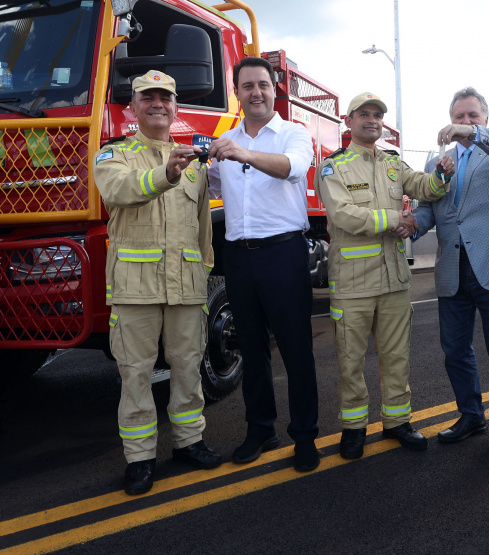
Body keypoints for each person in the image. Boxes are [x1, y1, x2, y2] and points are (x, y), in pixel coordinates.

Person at [94, 70, 221, 495]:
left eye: (165, 98)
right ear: (133, 107)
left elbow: (203, 226)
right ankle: (139, 458)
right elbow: (119, 191)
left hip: (185, 285)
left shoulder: (194, 163)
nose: (157, 104)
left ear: (175, 107)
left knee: (188, 365)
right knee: (136, 374)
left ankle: (189, 441)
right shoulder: (113, 155)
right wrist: (164, 174)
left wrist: (202, 269)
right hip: (135, 287)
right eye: (147, 97)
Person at [315, 92, 453, 458]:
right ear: (349, 122)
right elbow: (343, 215)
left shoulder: (392, 162)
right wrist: (396, 219)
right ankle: (353, 428)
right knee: (350, 362)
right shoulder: (332, 167)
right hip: (352, 284)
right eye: (364, 114)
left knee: (397, 357)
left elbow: (424, 187)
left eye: (377, 115)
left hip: (393, 282)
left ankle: (397, 422)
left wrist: (441, 174)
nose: (372, 120)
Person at [207, 56, 320, 473]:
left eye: (263, 85)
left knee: (295, 349)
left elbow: (293, 169)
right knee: (250, 349)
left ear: (274, 90)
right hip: (239, 256)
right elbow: (211, 185)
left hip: (283, 253)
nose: (256, 92)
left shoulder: (293, 134)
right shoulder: (225, 141)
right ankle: (260, 429)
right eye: (248, 86)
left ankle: (305, 435)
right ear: (237, 93)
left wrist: (242, 153)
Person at [413, 87, 489, 469]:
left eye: (472, 116)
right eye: (458, 117)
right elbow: (429, 208)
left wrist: (475, 134)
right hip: (452, 268)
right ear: (450, 118)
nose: (464, 122)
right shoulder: (437, 160)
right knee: (455, 351)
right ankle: (471, 415)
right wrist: (410, 224)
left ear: (484, 120)